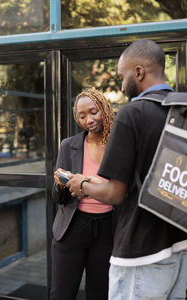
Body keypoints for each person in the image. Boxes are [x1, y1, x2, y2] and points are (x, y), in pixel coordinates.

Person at [66, 39, 187, 300]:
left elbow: (115, 194)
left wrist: (81, 185)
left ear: (139, 72)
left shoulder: (132, 113)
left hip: (141, 252)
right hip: (181, 245)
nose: (121, 86)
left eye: (123, 77)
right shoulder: (182, 109)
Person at [49, 88, 115, 300]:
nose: (89, 120)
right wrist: (61, 184)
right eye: (82, 115)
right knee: (61, 293)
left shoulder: (119, 144)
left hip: (108, 229)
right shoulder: (68, 146)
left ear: (104, 109)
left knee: (100, 293)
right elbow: (59, 199)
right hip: (72, 228)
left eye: (94, 112)